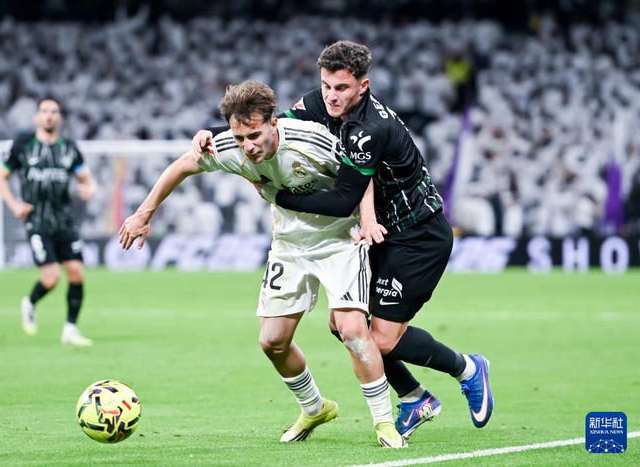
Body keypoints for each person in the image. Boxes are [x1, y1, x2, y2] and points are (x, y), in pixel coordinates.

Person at [192, 41, 493, 438]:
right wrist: (214, 134)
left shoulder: (370, 129)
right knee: (343, 325)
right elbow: (271, 124)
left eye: (342, 88)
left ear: (362, 86)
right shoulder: (322, 102)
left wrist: (279, 197)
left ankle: (468, 368)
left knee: (381, 340)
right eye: (326, 86)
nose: (331, 97)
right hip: (377, 232)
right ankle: (414, 397)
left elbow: (342, 200)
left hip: (417, 233)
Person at [119, 81, 405, 448]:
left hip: (340, 240)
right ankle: (314, 408)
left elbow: (360, 173)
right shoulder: (229, 147)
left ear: (274, 122)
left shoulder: (311, 139)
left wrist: (367, 218)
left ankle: (384, 422)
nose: (248, 146)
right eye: (240, 138)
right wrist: (143, 214)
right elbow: (183, 166)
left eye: (254, 135)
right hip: (289, 243)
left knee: (351, 331)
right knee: (272, 342)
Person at [0, 97, 97, 346]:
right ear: (37, 117)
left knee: (76, 272)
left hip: (65, 221)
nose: (49, 115)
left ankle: (70, 329)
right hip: (37, 222)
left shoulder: (69, 148)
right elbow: (0, 177)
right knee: (52, 278)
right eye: (44, 111)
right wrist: (14, 205)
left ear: (60, 117)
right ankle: (30, 302)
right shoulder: (24, 145)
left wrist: (90, 188)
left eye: (54, 111)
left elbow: (87, 178)